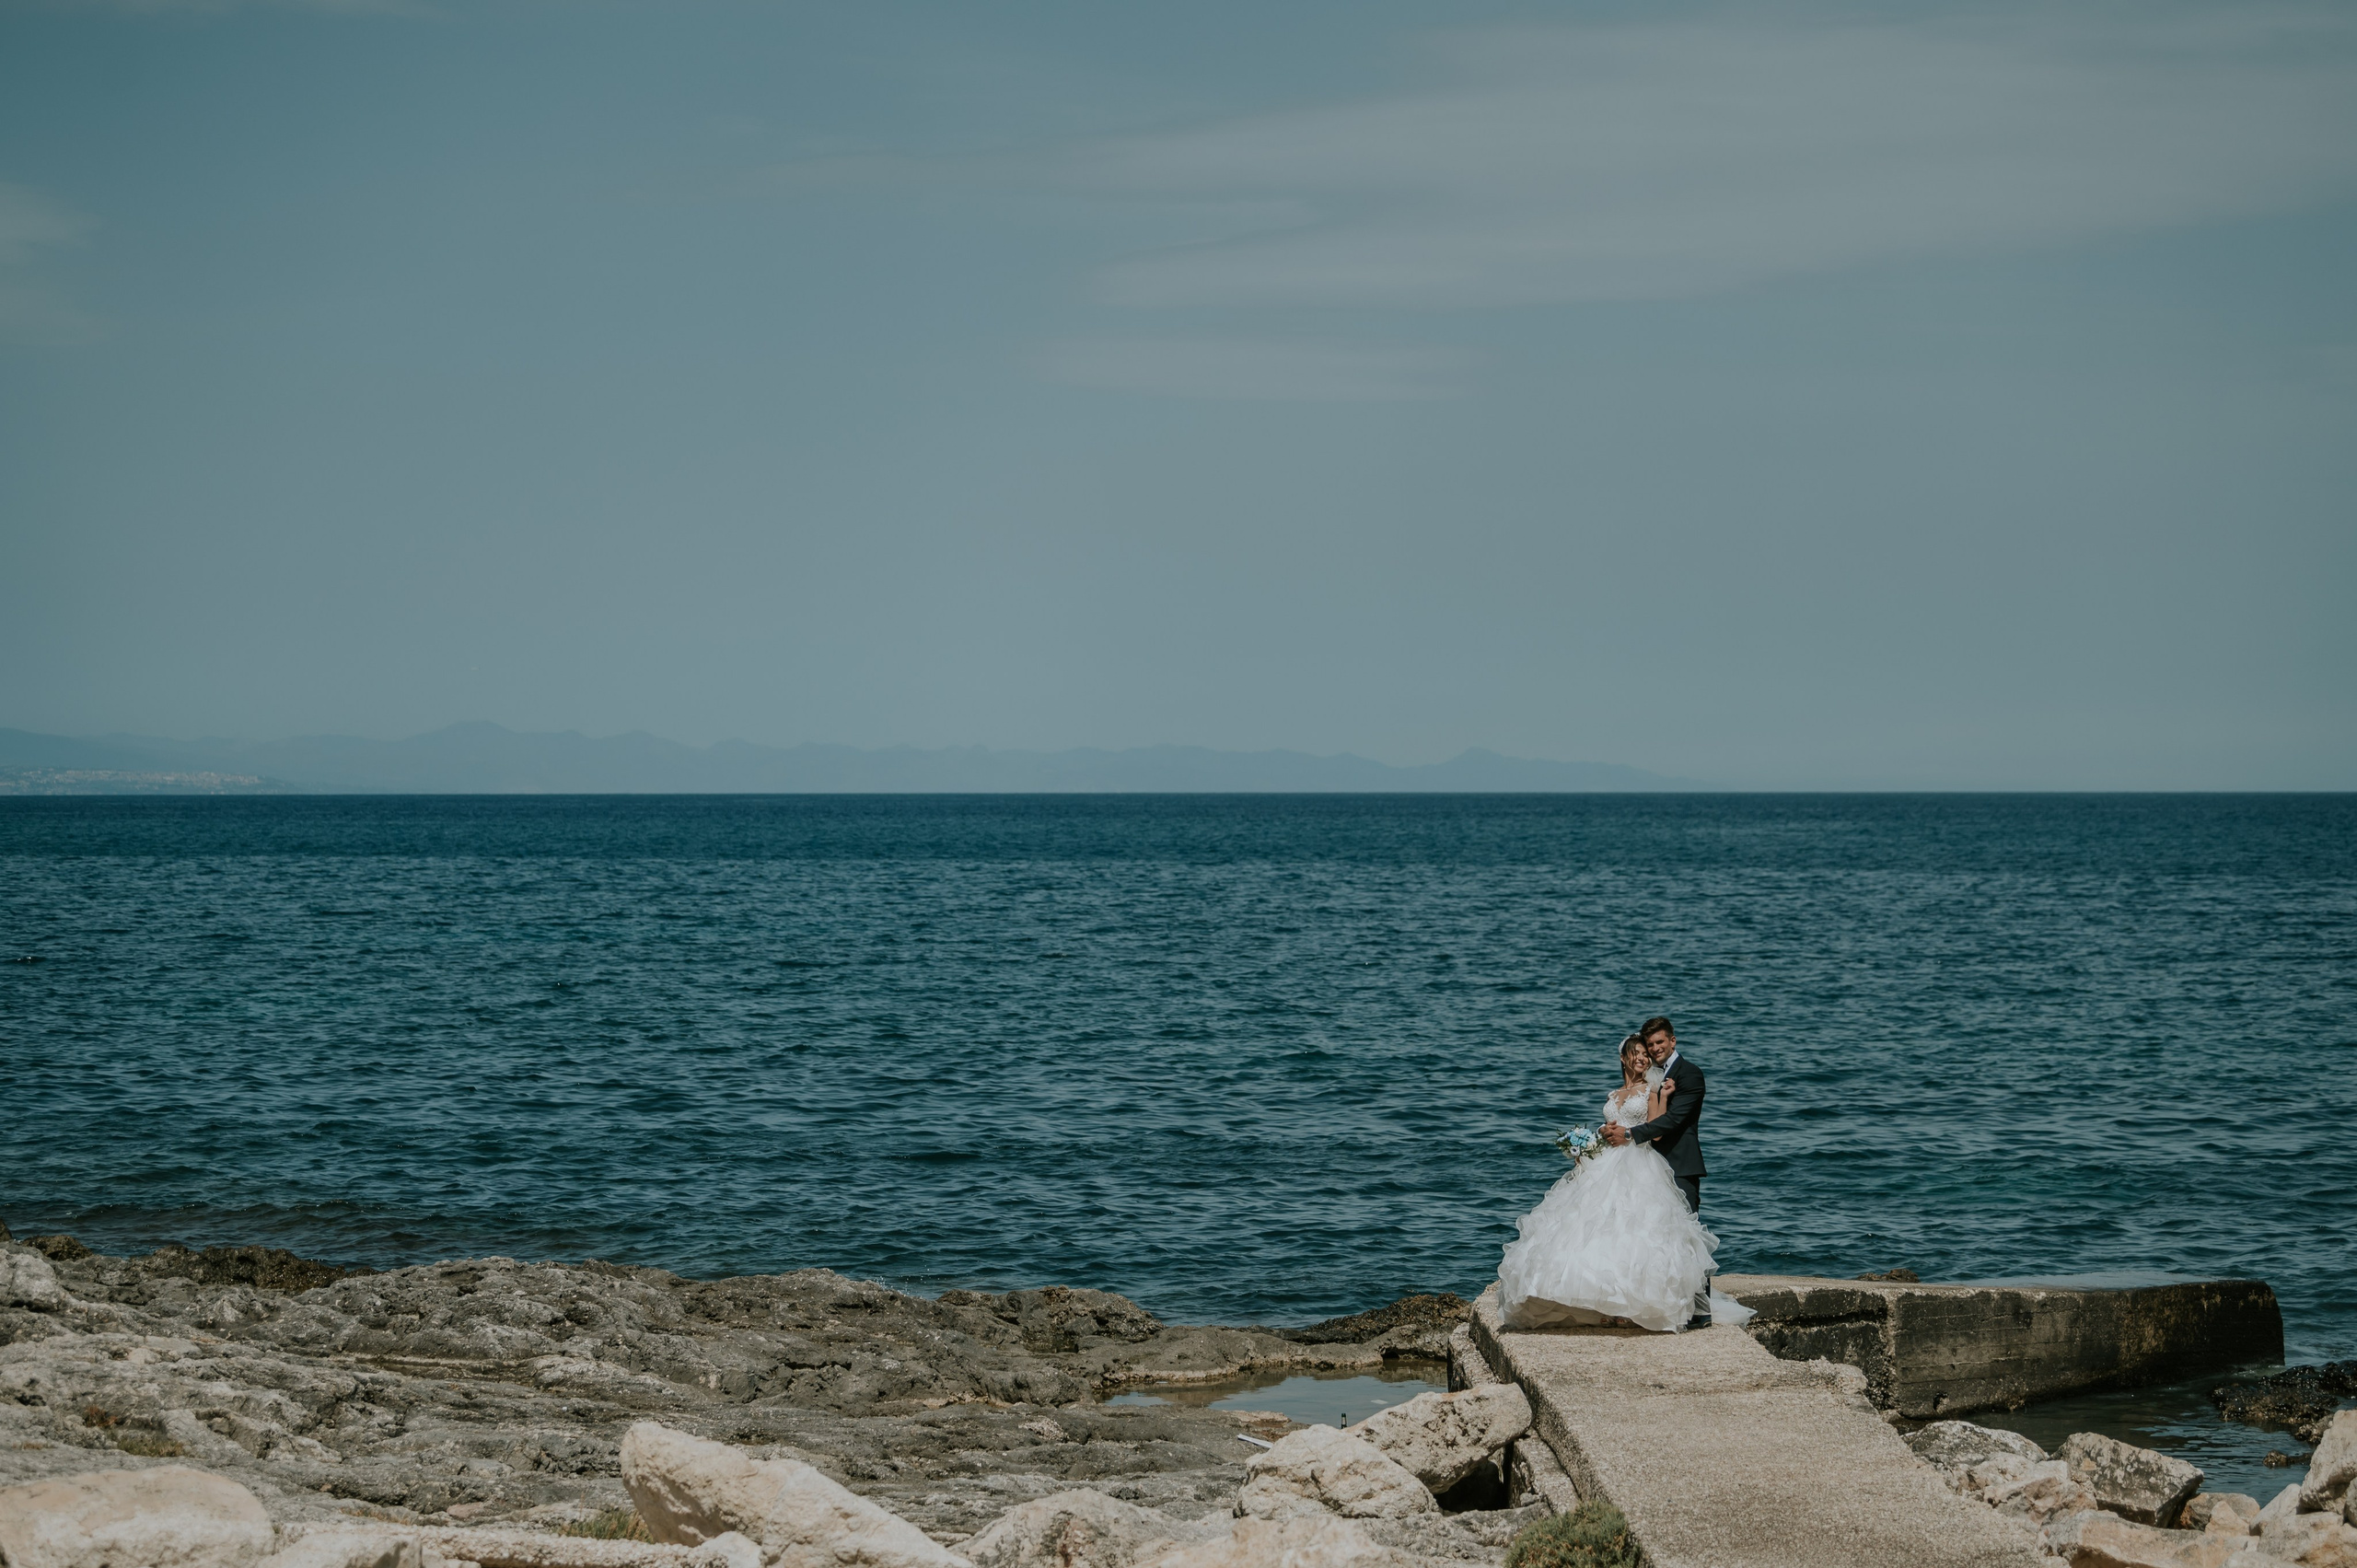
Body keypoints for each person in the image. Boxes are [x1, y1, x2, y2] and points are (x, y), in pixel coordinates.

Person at [1495, 1026, 1751, 1333]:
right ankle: (1605, 1302)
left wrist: (1655, 1104)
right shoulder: (1614, 1094)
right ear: (1623, 1058)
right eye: (1637, 1053)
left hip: (1640, 1161)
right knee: (1599, 1229)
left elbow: (1658, 1128)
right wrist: (1592, 1142)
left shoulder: (1656, 1087)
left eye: (1647, 1052)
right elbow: (1611, 1126)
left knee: (1645, 1231)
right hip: (1608, 1161)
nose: (1643, 1057)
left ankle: (1671, 1307)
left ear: (1670, 1042)